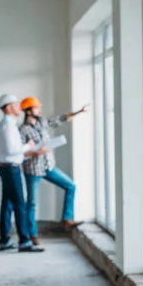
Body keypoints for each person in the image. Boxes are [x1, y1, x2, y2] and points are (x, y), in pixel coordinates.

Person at [19, 97, 89, 245]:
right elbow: (18, 153)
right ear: (28, 111)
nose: (39, 110)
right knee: (31, 203)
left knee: (70, 185)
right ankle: (32, 235)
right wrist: (34, 153)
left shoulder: (42, 122)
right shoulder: (22, 130)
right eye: (36, 108)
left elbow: (61, 118)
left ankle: (67, 219)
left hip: (48, 167)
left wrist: (80, 112)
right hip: (33, 170)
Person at [0, 94, 44, 252]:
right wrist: (28, 146)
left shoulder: (6, 124)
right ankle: (25, 241)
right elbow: (12, 150)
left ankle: (4, 241)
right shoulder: (8, 126)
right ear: (8, 108)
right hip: (11, 168)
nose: (19, 107)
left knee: (7, 205)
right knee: (19, 205)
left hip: (7, 167)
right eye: (16, 104)